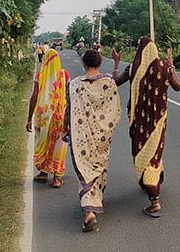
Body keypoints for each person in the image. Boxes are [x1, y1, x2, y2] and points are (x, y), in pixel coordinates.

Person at [112, 37, 180, 218]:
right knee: (155, 152)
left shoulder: (133, 68)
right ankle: (153, 181)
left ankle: (155, 201)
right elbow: (177, 87)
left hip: (139, 122)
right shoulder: (164, 66)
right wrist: (171, 67)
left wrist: (116, 62)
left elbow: (115, 82)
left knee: (144, 155)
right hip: (159, 120)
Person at [64, 50, 122, 233]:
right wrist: (116, 64)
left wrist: (66, 127)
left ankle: (89, 211)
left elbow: (69, 110)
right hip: (102, 135)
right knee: (99, 167)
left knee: (85, 168)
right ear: (100, 62)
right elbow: (114, 108)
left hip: (81, 136)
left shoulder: (73, 85)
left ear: (82, 62)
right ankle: (93, 205)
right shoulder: (108, 82)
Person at [26, 49, 70, 188]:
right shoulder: (64, 74)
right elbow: (69, 96)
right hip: (59, 116)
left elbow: (34, 98)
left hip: (43, 116)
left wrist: (29, 119)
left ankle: (43, 173)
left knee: (43, 142)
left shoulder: (40, 75)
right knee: (59, 144)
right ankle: (57, 178)